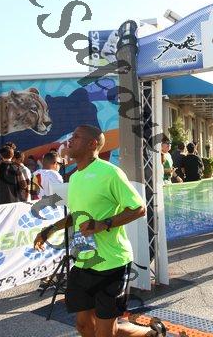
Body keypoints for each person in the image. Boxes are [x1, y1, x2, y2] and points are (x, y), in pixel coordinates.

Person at [33, 125, 167, 337]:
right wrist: (50, 229)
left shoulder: (110, 172)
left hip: (112, 262)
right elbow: (77, 215)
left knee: (105, 332)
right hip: (84, 261)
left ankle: (150, 334)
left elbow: (138, 208)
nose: (70, 141)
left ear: (92, 144)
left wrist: (103, 224)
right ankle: (150, 334)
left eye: (76, 137)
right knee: (84, 326)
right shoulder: (75, 177)